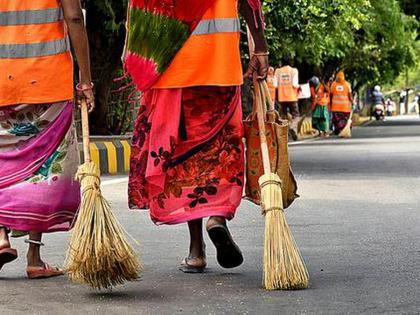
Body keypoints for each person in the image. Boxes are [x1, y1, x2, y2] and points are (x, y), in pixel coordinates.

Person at [128, 0, 268, 272]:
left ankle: (196, 250)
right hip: (220, 65)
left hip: (173, 68)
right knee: (221, 149)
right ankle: (217, 217)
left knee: (185, 156)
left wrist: (137, 58)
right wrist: (260, 46)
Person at [0, 0, 94, 278]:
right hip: (48, 80)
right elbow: (74, 18)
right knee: (42, 167)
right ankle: (34, 257)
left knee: (3, 160)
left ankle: (0, 236)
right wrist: (86, 79)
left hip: (3, 80)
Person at [274, 55, 300, 140]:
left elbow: (275, 85)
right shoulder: (294, 71)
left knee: (283, 116)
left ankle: (283, 136)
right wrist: (299, 87)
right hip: (292, 97)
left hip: (282, 98)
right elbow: (295, 84)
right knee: (296, 115)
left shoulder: (278, 71)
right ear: (290, 62)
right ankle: (292, 127)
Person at [330, 71, 353, 135]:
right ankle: (343, 130)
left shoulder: (333, 84)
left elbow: (331, 95)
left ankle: (339, 130)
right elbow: (350, 96)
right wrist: (352, 102)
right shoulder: (347, 84)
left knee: (337, 121)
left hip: (336, 108)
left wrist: (330, 104)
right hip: (345, 108)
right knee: (344, 120)